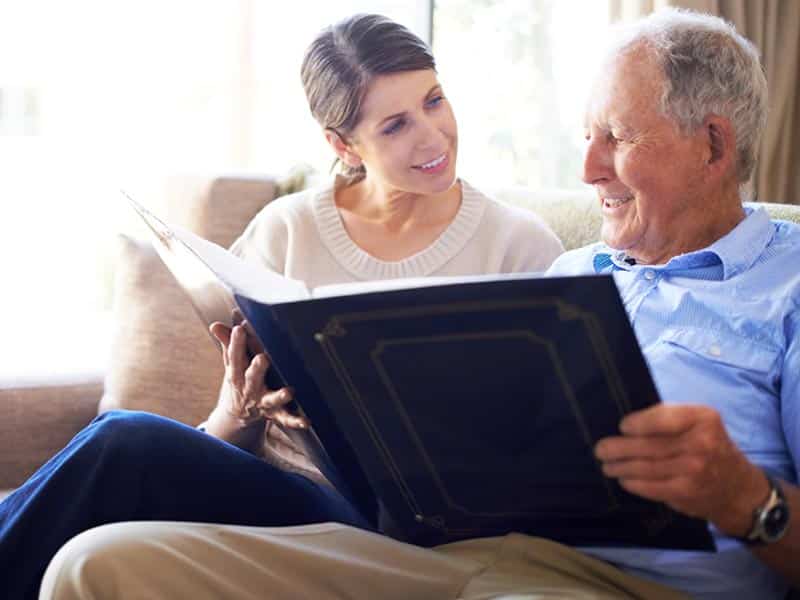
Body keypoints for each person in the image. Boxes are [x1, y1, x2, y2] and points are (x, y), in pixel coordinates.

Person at [39, 7, 799, 600]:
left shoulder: (787, 289)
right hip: (453, 556)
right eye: (586, 135)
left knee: (130, 450)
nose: (588, 166)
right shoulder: (571, 274)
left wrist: (745, 497)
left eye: (617, 137)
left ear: (713, 145)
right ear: (343, 146)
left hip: (611, 585)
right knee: (93, 564)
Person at [0, 13, 563, 600]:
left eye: (435, 101)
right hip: (282, 502)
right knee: (121, 456)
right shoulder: (284, 232)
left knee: (125, 440)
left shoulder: (521, 246)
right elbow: (227, 435)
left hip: (415, 536)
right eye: (395, 125)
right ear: (342, 144)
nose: (433, 135)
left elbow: (547, 450)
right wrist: (242, 410)